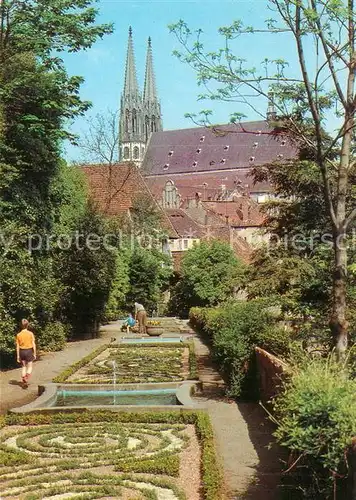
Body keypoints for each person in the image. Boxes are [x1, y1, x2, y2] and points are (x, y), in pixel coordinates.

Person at [16, 319, 36, 384]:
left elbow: (17, 346)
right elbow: (33, 344)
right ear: (27, 325)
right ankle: (27, 377)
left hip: (22, 352)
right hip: (29, 351)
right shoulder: (30, 334)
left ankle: (24, 378)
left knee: (24, 366)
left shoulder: (18, 335)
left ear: (21, 325)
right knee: (30, 366)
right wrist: (35, 353)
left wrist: (18, 356)